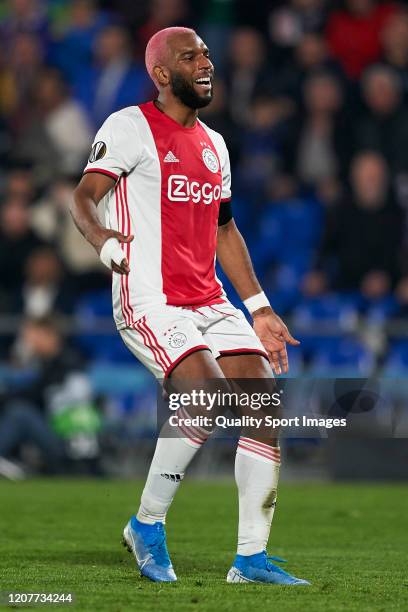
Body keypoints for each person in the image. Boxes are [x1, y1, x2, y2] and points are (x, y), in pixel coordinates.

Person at [71, 27, 308, 586]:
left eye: (206, 53)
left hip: (210, 299)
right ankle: (146, 525)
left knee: (264, 406)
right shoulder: (129, 127)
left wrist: (260, 307)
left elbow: (224, 228)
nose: (206, 62)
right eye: (190, 56)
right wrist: (104, 241)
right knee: (203, 393)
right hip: (148, 297)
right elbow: (83, 196)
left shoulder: (215, 145)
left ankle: (250, 560)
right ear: (161, 73)